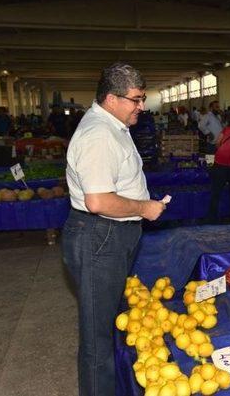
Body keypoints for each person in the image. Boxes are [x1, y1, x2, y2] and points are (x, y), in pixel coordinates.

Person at [63, 63, 166, 396]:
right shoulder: (99, 135)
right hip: (100, 235)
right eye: (135, 100)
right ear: (111, 98)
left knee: (109, 321)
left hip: (110, 234)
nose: (141, 106)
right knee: (97, 339)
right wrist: (144, 208)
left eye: (142, 98)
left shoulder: (114, 126)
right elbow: (97, 200)